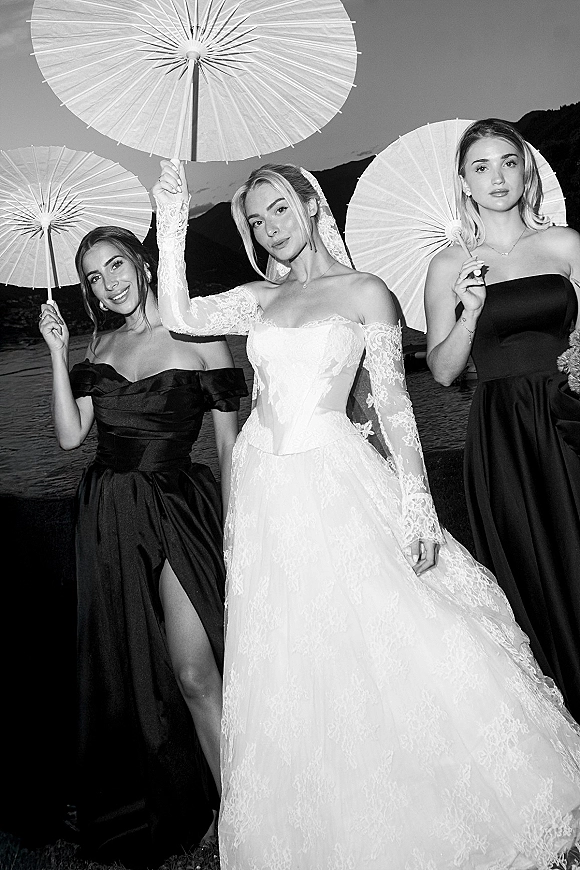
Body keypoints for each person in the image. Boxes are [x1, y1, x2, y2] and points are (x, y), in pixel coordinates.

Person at [153, 159, 580, 869]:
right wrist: (170, 220)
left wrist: (415, 501)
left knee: (390, 641)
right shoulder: (258, 297)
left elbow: (393, 403)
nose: (268, 227)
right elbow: (181, 316)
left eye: (279, 209)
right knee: (293, 655)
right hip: (265, 487)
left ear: (312, 207)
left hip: (334, 477)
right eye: (255, 219)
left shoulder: (364, 292)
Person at [38, 225, 247, 868]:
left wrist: (237, 525)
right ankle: (199, 806)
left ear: (142, 263)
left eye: (116, 266)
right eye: (94, 278)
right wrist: (55, 350)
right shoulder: (99, 344)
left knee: (195, 672)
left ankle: (244, 811)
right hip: (110, 517)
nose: (109, 284)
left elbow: (227, 444)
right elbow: (72, 438)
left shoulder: (197, 335)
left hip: (181, 508)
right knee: (133, 667)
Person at [425, 118, 580, 723]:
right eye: (480, 167)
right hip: (504, 435)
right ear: (463, 183)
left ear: (526, 171)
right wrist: (468, 311)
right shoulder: (449, 266)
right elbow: (440, 371)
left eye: (508, 163)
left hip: (570, 414)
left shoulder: (567, 245)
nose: (496, 178)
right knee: (535, 570)